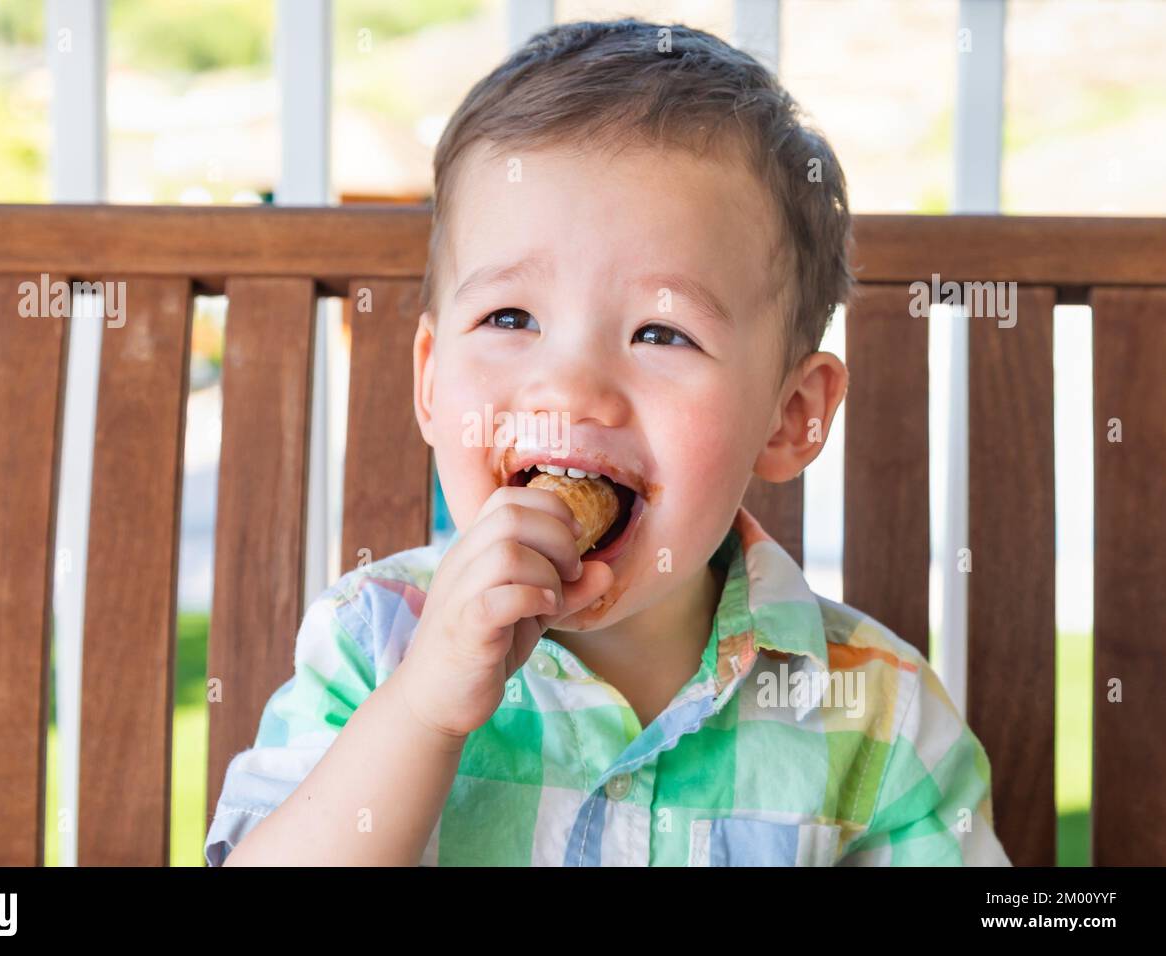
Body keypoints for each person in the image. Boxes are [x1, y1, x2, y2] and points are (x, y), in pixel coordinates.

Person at [205, 18, 1011, 867]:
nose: (571, 388)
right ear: (433, 384)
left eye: (661, 333)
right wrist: (422, 712)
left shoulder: (878, 719)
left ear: (789, 415)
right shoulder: (372, 646)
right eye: (511, 317)